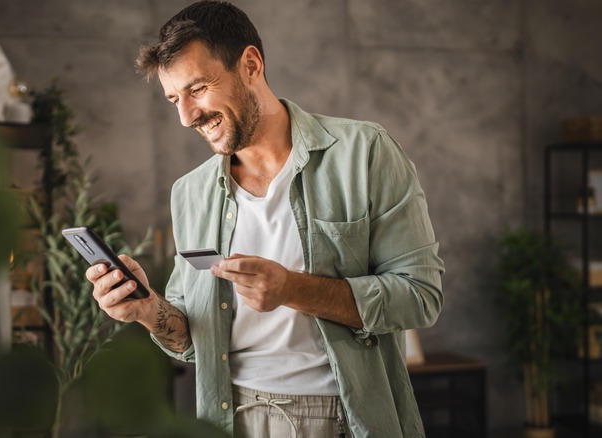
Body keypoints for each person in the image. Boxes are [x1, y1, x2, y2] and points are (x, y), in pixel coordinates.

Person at [86, 1, 444, 437]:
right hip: (230, 417)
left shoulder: (363, 153)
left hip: (343, 418)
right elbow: (191, 343)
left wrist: (292, 288)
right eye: (174, 99)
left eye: (197, 89)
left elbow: (420, 295)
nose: (186, 117)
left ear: (251, 65)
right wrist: (147, 310)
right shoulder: (190, 192)